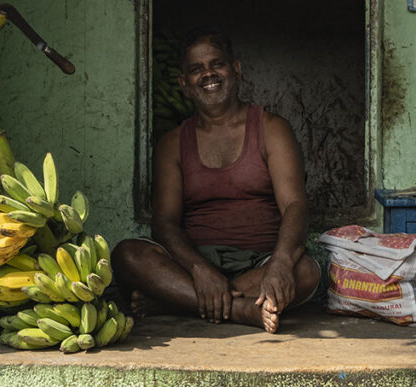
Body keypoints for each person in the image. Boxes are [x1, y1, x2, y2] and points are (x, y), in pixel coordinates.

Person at [112, 28, 320, 333]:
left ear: (235, 69)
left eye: (217, 64)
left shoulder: (272, 128)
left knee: (306, 271)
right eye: (197, 69)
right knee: (126, 255)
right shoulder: (172, 143)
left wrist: (279, 263)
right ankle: (239, 309)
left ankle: (177, 301)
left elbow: (295, 205)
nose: (209, 74)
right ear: (184, 84)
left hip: (258, 262)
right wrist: (200, 270)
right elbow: (165, 223)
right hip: (194, 262)